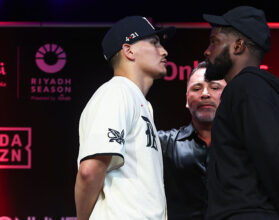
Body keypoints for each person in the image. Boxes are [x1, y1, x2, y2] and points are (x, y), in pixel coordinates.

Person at [202, 6, 279, 220]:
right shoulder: (243, 90)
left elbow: (274, 156)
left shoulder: (248, 87)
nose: (207, 51)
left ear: (238, 45)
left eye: (215, 42)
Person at [74, 16, 175, 220]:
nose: (164, 51)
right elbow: (89, 171)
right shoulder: (117, 92)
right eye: (154, 43)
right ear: (129, 51)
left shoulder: (141, 103)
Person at [158, 61, 226, 220]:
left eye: (214, 87)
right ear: (187, 99)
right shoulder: (164, 144)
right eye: (197, 88)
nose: (205, 93)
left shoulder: (244, 146)